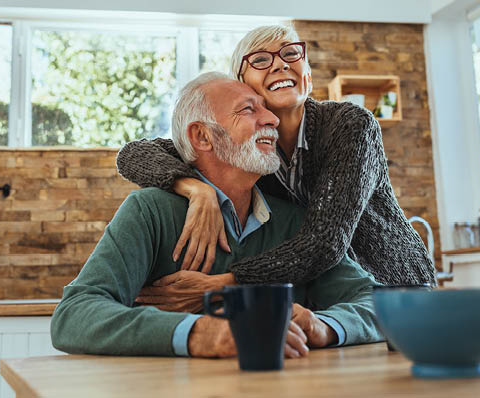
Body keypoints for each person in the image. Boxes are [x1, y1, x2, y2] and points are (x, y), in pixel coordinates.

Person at [51, 72, 382, 358]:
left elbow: (376, 302)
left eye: (266, 109)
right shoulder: (150, 211)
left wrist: (322, 324)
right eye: (248, 110)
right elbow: (74, 315)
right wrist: (201, 333)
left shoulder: (295, 222)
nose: (272, 119)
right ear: (202, 136)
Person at [116, 25, 435, 311]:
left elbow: (324, 243)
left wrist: (222, 283)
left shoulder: (350, 125)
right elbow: (134, 154)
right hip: (319, 302)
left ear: (307, 73)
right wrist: (195, 188)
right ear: (242, 84)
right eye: (260, 60)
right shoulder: (245, 149)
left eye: (291, 54)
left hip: (394, 290)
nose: (281, 63)